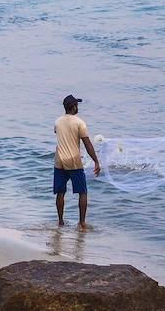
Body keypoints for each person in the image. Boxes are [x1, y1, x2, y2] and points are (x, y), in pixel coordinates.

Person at [53, 94, 101, 230]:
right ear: (73, 107)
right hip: (74, 161)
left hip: (59, 161)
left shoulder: (57, 121)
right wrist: (96, 161)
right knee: (82, 192)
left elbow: (58, 133)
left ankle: (60, 222)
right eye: (77, 105)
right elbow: (87, 143)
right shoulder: (79, 123)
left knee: (60, 193)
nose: (77, 107)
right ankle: (81, 223)